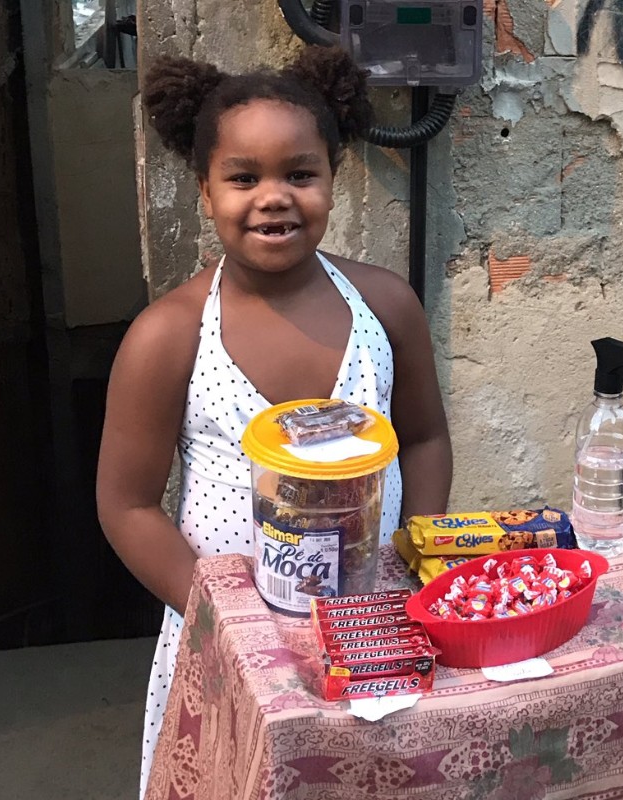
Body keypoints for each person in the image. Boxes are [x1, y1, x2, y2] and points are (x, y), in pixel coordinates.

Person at [95, 46, 452, 797]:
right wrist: (224, 620)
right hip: (228, 641)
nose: (273, 197)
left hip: (373, 625)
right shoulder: (169, 335)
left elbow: (422, 437)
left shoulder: (386, 307)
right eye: (243, 177)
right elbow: (126, 505)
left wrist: (415, 564)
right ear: (204, 189)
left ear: (333, 177)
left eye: (299, 173)